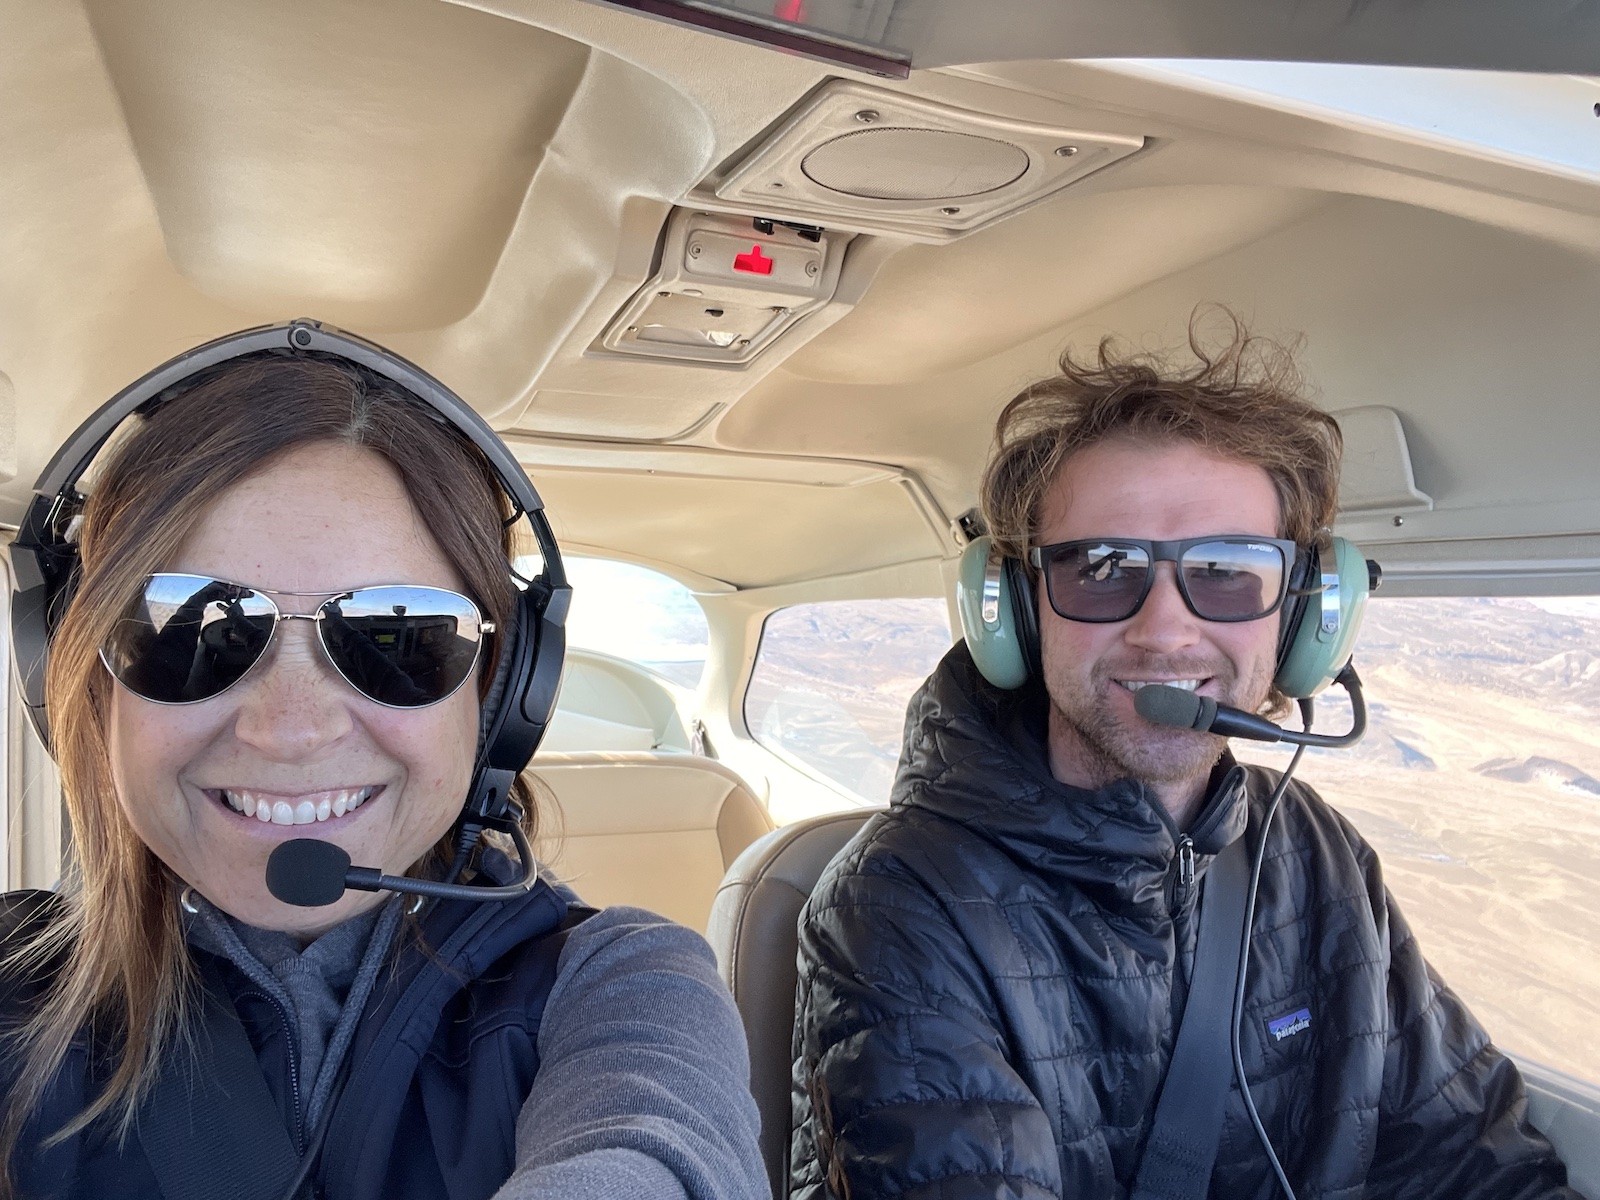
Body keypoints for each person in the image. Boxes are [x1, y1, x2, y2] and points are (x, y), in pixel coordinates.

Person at [790, 313, 1581, 1200]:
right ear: (1013, 609)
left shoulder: (1318, 852)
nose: (1165, 631)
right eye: (1101, 566)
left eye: (1227, 570)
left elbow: (1466, 1153)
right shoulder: (901, 901)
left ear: (1302, 619)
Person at [0, 323, 767, 1200]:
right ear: (85, 685)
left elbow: (649, 1156)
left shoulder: (620, 987)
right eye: (191, 634)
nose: (289, 730)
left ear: (503, 692)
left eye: (392, 635)